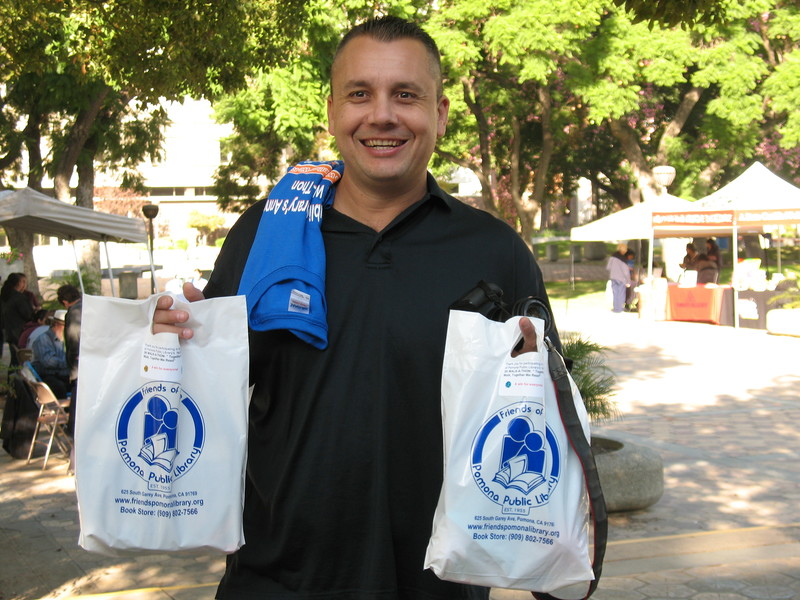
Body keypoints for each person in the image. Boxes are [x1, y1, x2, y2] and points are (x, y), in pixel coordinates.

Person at [153, 16, 555, 600]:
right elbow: (206, 401)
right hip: (275, 580)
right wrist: (173, 344)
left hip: (439, 585)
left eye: (406, 95)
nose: (382, 115)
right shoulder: (267, 235)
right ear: (332, 111)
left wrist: (537, 377)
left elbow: (546, 421)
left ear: (440, 113)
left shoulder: (496, 252)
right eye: (360, 94)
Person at [57, 284, 82, 436]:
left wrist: (73, 360)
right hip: (92, 358)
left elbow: (74, 339)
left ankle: (73, 432)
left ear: (65, 302)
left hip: (79, 362)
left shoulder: (73, 313)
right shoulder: (88, 306)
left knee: (78, 397)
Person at [31, 309, 70, 398]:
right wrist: (70, 361)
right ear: (56, 324)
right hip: (47, 376)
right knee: (59, 386)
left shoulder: (65, 339)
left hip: (62, 374)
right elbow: (48, 362)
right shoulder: (43, 339)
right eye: (65, 325)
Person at [1, 272, 34, 367]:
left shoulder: (5, 296)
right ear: (19, 283)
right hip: (20, 331)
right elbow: (28, 314)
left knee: (14, 358)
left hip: (9, 331)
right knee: (20, 359)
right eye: (23, 282)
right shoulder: (18, 297)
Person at [606, 243, 631, 313]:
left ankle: (616, 308)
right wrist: (628, 281)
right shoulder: (623, 258)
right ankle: (620, 308)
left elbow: (608, 267)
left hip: (613, 277)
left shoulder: (613, 256)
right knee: (621, 293)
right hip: (621, 278)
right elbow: (626, 271)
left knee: (615, 293)